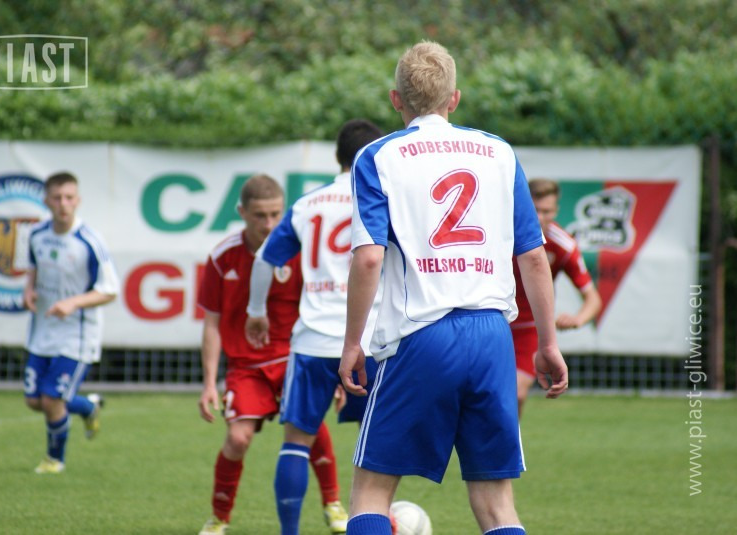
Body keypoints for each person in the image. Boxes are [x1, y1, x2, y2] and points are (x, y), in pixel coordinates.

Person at [338, 42, 569, 535]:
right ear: (454, 98)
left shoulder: (378, 156)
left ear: (396, 100)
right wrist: (548, 343)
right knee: (496, 504)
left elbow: (369, 257)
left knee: (371, 492)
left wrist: (353, 342)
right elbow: (533, 257)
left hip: (421, 335)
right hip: (492, 337)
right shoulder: (499, 153)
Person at [245, 119, 384, 535]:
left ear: (337, 156)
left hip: (313, 342)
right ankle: (376, 522)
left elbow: (264, 260)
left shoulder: (309, 204)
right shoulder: (385, 200)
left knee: (295, 443)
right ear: (375, 155)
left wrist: (256, 311)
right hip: (372, 341)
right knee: (378, 445)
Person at [197, 174, 349, 535]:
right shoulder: (222, 257)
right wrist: (209, 383)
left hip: (294, 356)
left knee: (309, 427)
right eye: (259, 215)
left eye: (275, 215)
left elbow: (324, 307)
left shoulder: (299, 250)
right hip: (247, 366)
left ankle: (332, 503)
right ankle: (219, 517)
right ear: (241, 212)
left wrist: (334, 369)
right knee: (238, 439)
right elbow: (211, 324)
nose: (268, 224)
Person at [23, 171, 118, 474]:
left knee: (52, 400)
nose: (63, 204)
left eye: (69, 197)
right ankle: (88, 407)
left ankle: (54, 460)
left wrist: (73, 302)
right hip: (42, 331)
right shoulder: (37, 235)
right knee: (35, 401)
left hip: (77, 335)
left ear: (78, 201)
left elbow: (110, 290)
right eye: (57, 198)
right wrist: (28, 290)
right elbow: (33, 268)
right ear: (46, 201)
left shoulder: (89, 241)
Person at [512, 178, 602, 416]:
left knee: (517, 393)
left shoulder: (563, 245)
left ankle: (510, 438)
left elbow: (593, 299)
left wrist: (577, 319)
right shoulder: (501, 234)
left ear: (556, 211)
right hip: (495, 321)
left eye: (547, 211)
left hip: (529, 330)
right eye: (535, 209)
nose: (540, 217)